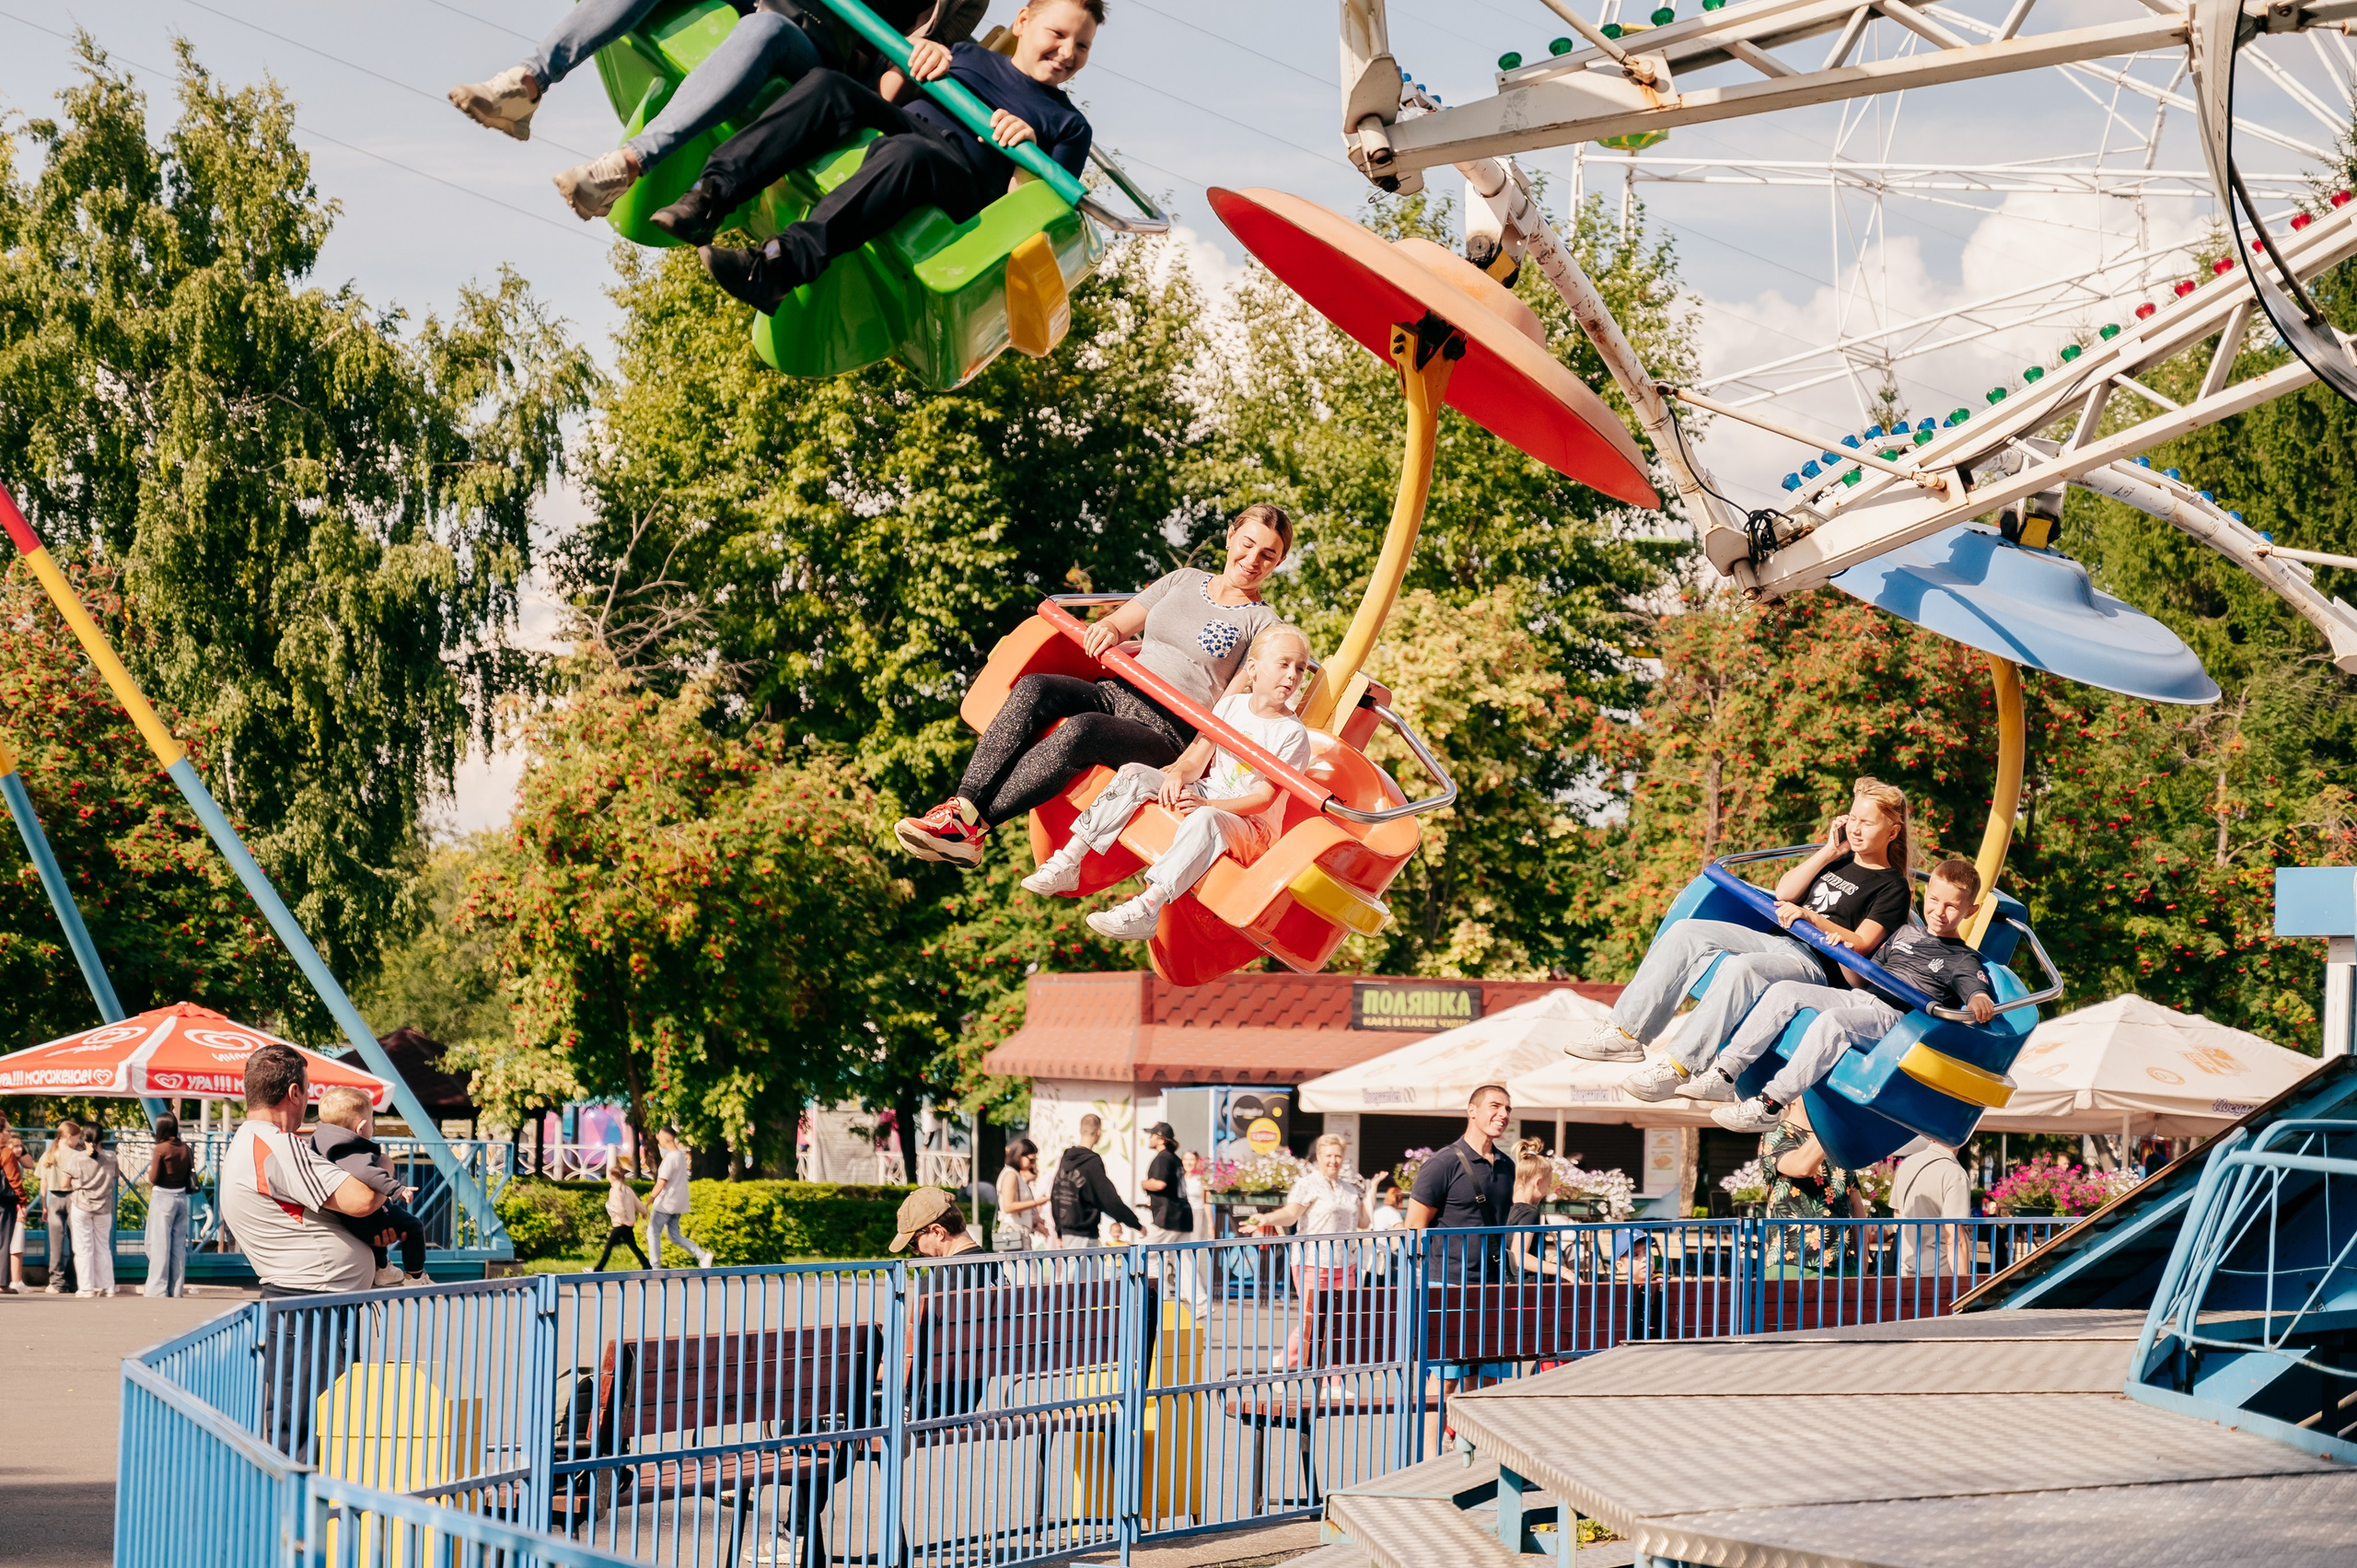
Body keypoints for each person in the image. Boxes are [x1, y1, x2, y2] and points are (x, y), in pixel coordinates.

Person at [897, 505, 1294, 869]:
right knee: (1035, 687)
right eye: (1248, 545)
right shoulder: (1183, 580)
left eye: (1267, 555)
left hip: (1166, 731)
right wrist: (1105, 628)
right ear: (1230, 537)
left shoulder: (1263, 626)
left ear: (1278, 563)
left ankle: (974, 827)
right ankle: (961, 809)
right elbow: (1120, 624)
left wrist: (1187, 765)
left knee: (1084, 729)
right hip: (1117, 692)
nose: (1252, 560)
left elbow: (1229, 708)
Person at [659, 0, 1101, 312]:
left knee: (912, 153)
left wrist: (1027, 155)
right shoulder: (967, 54)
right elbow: (890, 90)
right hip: (910, 126)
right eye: (1058, 34)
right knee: (828, 86)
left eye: (1082, 46)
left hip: (963, 179)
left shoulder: (1069, 126)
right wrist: (915, 57)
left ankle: (777, 267)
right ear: (1023, 21)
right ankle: (709, 196)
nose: (1067, 52)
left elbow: (1026, 216)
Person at [447, 0, 986, 219]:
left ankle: (626, 166)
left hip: (815, 46)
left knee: (765, 29)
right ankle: (528, 82)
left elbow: (894, 74)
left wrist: (926, 58)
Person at [1573, 780, 1916, 1105]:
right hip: (1778, 939)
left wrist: (1810, 917)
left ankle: (1678, 1068)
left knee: (1743, 968)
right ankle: (1626, 1033)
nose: (1855, 829)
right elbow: (1785, 893)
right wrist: (1827, 851)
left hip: (1813, 965)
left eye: (1867, 823)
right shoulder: (1838, 859)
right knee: (1686, 932)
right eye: (1852, 818)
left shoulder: (1892, 887)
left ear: (1892, 831)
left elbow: (1861, 943)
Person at [1023, 623, 1317, 941]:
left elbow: (1264, 798)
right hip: (1207, 793)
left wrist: (1208, 804)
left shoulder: (1292, 734)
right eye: (1283, 664)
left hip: (1251, 826)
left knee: (1207, 818)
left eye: (1300, 668)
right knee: (1136, 772)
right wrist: (1177, 773)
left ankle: (1148, 907)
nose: (1292, 675)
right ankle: (1071, 858)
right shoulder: (1231, 707)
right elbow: (1197, 758)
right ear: (1254, 669)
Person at [1709, 859, 2001, 1132]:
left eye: (1951, 906)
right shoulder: (1904, 934)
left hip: (1893, 1019)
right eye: (1934, 900)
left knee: (1833, 1022)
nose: (1939, 911)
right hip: (1862, 1000)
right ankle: (1725, 1073)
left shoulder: (1962, 959)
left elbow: (1975, 991)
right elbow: (1860, 981)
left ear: (1970, 911)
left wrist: (1979, 1000)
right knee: (1784, 991)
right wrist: (1843, 955)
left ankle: (1768, 1106)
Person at [1406, 1086, 1516, 1419]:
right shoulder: (1442, 1164)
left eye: (1508, 1109)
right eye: (1495, 1106)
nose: (1503, 1114)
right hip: (1449, 1284)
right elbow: (1414, 1227)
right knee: (1444, 1381)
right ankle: (1430, 1460)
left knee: (1486, 1381)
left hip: (1493, 1286)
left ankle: (1476, 1455)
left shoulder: (1507, 1166)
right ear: (1471, 1110)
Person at [311, 1088, 433, 1288]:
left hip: (346, 1217)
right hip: (363, 1214)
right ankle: (416, 1277)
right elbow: (367, 1171)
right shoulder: (350, 1149)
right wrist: (395, 1188)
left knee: (383, 1222)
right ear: (362, 1128)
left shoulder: (322, 1143)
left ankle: (382, 1268)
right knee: (413, 1226)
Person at [1048, 1114, 1139, 1248]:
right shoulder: (1092, 1162)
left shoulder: (1066, 1159)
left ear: (1081, 1130)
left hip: (1067, 1231)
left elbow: (1056, 1195)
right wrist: (1134, 1222)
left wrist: (1059, 1229)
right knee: (1084, 1269)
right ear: (1098, 1132)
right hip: (1085, 1234)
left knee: (1073, 1268)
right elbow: (1107, 1197)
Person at [1890, 1137, 1973, 1276]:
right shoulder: (1954, 1173)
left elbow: (1898, 1214)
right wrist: (1963, 1286)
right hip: (1941, 1273)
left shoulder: (1906, 1165)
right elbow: (1954, 1238)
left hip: (1907, 1269)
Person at [57, 1124, 119, 1297]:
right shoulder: (111, 1157)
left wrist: (77, 1183)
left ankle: (86, 1287)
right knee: (103, 1247)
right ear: (102, 1139)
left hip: (81, 1205)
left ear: (84, 1139)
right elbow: (114, 1176)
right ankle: (108, 1286)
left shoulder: (77, 1158)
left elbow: (63, 1183)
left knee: (83, 1248)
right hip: (104, 1207)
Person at [644, 1127, 714, 1269]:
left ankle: (655, 1266)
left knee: (652, 1233)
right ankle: (702, 1255)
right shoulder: (681, 1156)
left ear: (665, 1138)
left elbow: (661, 1182)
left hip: (665, 1203)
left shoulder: (670, 1158)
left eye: (659, 1136)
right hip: (677, 1204)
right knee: (675, 1236)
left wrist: (649, 1200)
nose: (657, 1139)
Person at [143, 1115, 195, 1298]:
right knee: (178, 1247)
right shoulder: (186, 1149)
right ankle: (176, 1289)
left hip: (163, 1199)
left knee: (159, 1245)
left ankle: (157, 1290)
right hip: (181, 1198)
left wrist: (150, 1171)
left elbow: (154, 1178)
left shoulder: (160, 1149)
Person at [36, 1123, 77, 1294]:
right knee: (77, 1241)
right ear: (69, 1137)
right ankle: (73, 1279)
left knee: (56, 1243)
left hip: (53, 1199)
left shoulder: (48, 1154)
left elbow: (43, 1183)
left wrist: (44, 1206)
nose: (79, 1140)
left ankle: (56, 1281)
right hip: (73, 1198)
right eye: (77, 1137)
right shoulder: (76, 1156)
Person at [993, 1137, 1051, 1251]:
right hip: (1012, 1233)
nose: (1033, 1165)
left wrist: (1035, 1222)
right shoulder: (1011, 1175)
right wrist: (1037, 1202)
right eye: (1031, 1160)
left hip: (1019, 1233)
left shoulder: (1015, 1175)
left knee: (1026, 1269)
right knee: (1024, 1269)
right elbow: (1008, 1206)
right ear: (1019, 1156)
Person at [1138, 1123, 1193, 1245]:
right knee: (1182, 1260)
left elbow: (1160, 1184)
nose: (1149, 1138)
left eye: (1152, 1135)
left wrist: (1144, 1184)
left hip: (1168, 1216)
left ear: (1161, 1140)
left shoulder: (1163, 1157)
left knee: (1146, 1255)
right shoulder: (1174, 1158)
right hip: (1184, 1216)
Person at [592, 1164, 653, 1271]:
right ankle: (647, 1265)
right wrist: (644, 1212)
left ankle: (598, 1269)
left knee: (609, 1246)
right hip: (628, 1224)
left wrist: (622, 1220)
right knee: (632, 1246)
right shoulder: (627, 1189)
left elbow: (619, 1207)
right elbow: (638, 1204)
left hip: (620, 1223)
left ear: (612, 1177)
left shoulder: (615, 1190)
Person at [0, 1112, 23, 1295]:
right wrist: (22, 1199)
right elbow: (14, 1179)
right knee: (3, 1241)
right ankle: (2, 1282)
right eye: (8, 1130)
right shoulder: (6, 1152)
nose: (10, 1133)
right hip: (4, 1202)